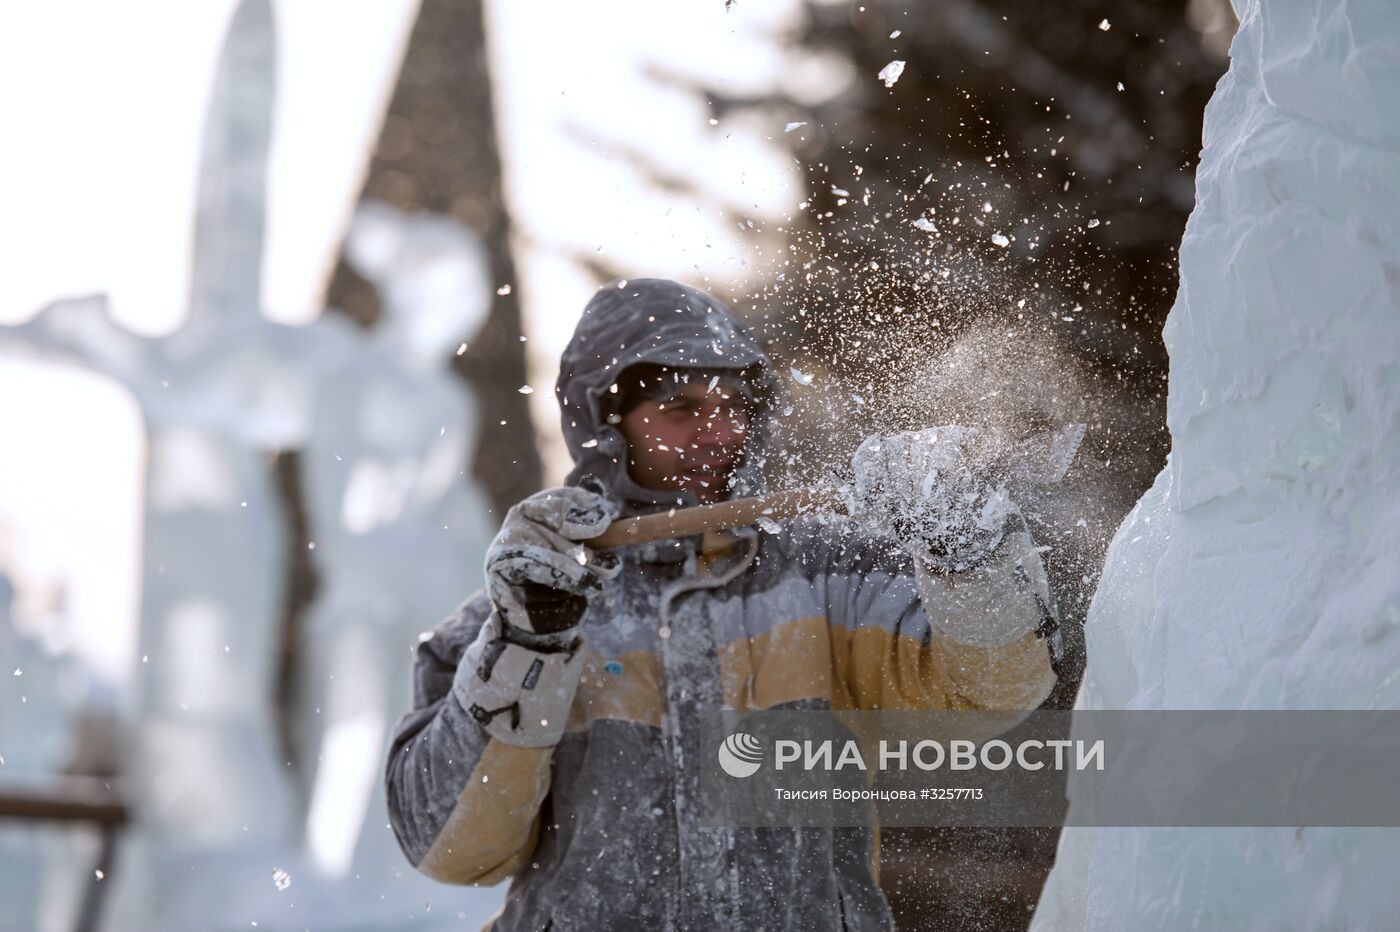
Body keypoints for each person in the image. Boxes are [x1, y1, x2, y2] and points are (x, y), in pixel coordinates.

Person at [384, 278, 1062, 930]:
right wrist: (528, 647)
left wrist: (967, 559)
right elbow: (449, 849)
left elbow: (995, 692)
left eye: (735, 406)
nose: (719, 433)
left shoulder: (828, 574)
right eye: (681, 409)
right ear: (602, 423)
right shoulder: (513, 622)